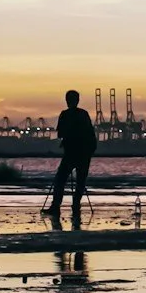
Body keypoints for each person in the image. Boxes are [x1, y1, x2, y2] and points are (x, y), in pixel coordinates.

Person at [46, 90, 96, 220]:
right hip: (85, 153)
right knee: (81, 181)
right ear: (78, 100)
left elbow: (61, 133)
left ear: (67, 100)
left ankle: (56, 206)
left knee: (60, 179)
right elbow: (91, 133)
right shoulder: (84, 114)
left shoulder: (65, 114)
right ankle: (75, 205)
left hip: (71, 153)